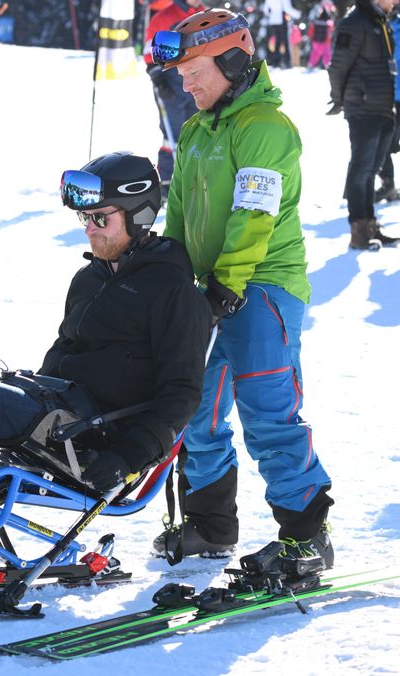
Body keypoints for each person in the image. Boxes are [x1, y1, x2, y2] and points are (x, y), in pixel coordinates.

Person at [0, 152, 212, 529]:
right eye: (85, 218)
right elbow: (63, 352)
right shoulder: (90, 279)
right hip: (60, 413)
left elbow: (182, 394)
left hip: (96, 441)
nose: (89, 229)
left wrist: (127, 457)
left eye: (100, 218)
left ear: (138, 216)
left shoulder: (173, 291)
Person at [150, 9, 335, 572]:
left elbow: (255, 214)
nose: (185, 82)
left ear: (232, 60)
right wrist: (170, 276)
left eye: (194, 69)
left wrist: (225, 287)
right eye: (180, 73)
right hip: (210, 290)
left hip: (263, 287)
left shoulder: (266, 128)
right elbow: (178, 210)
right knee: (194, 408)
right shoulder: (196, 128)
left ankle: (307, 537)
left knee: (267, 412)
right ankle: (210, 526)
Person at [327, 0, 400, 250]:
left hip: (383, 107)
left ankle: (370, 225)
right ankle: (358, 230)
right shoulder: (355, 22)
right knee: (361, 170)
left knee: (370, 170)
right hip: (363, 106)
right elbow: (337, 66)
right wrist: (340, 99)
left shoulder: (380, 22)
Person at [143, 0, 202, 196]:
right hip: (170, 81)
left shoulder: (203, 15)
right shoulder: (165, 16)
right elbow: (148, 50)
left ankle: (195, 177)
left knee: (198, 129)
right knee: (173, 132)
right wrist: (157, 76)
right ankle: (167, 182)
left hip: (197, 79)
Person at [375, 10, 400, 203]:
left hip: (392, 94)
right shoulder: (384, 28)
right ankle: (388, 185)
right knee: (385, 143)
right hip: (390, 96)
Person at [263, 0, 299, 68]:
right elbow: (287, 8)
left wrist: (272, 14)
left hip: (273, 21)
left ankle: (276, 62)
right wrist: (298, 14)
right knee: (286, 42)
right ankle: (287, 62)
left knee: (277, 42)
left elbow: (266, 10)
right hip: (282, 21)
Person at [307, 5, 335, 69]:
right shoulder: (329, 22)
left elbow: (311, 32)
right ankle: (327, 67)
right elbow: (331, 31)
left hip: (316, 41)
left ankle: (310, 65)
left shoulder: (315, 22)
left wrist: (311, 38)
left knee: (314, 54)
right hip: (326, 41)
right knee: (327, 55)